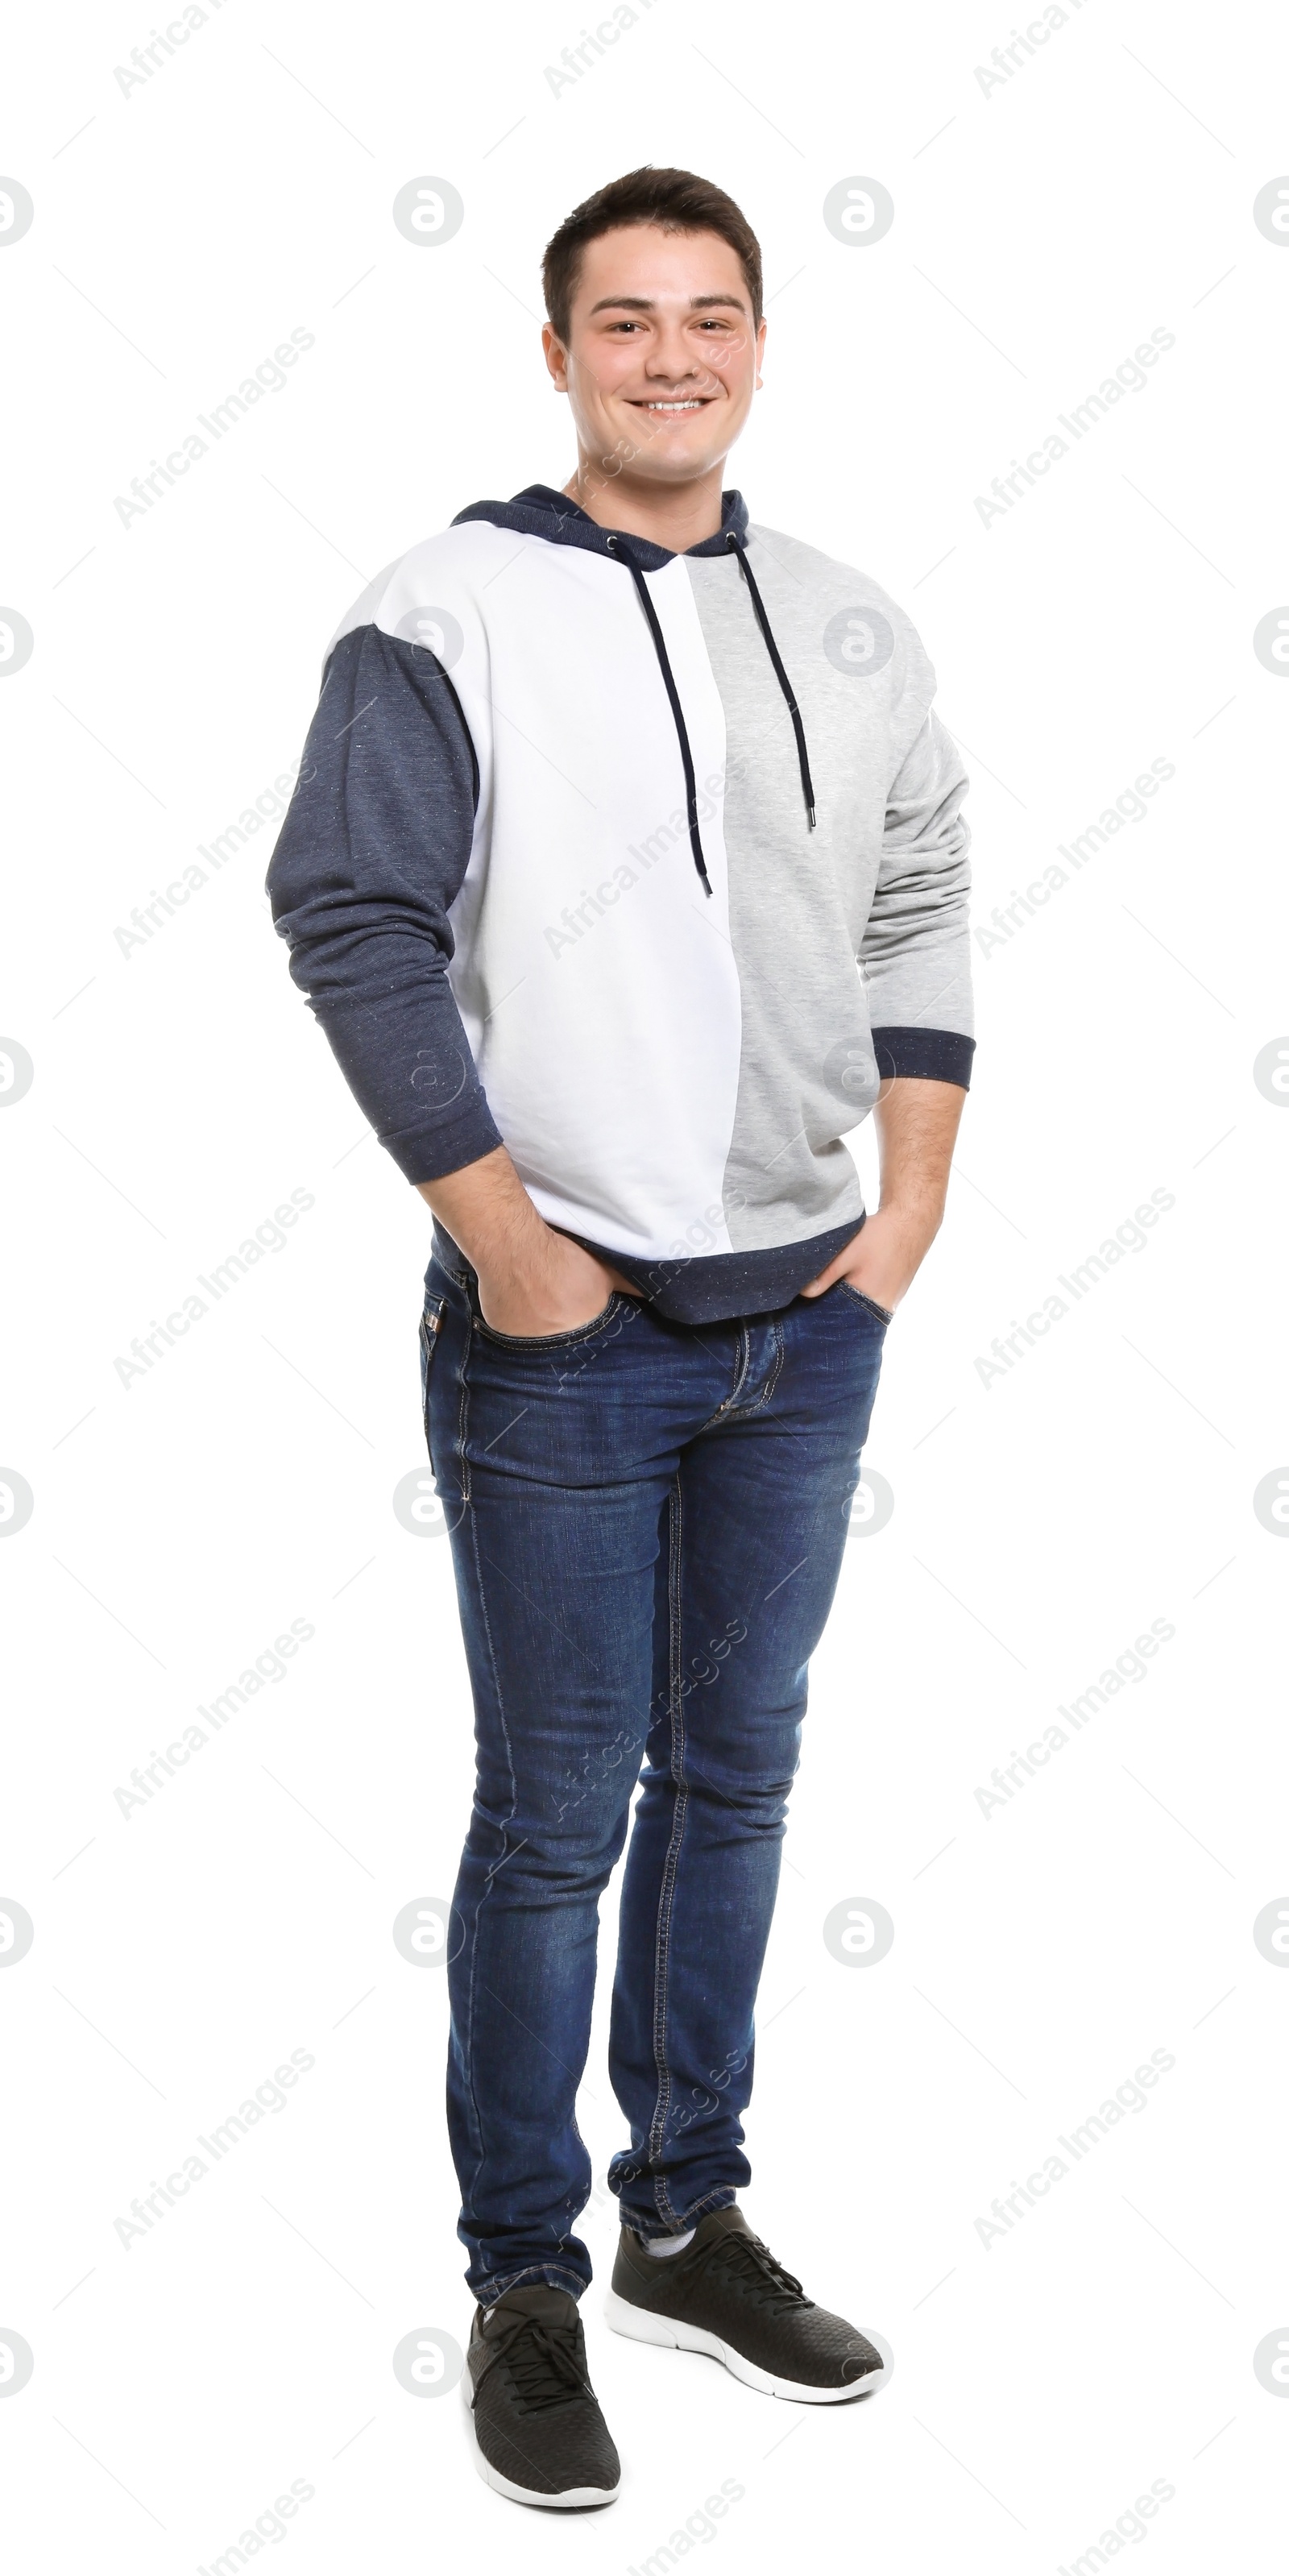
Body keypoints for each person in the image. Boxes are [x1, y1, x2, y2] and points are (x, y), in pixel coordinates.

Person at [267, 164, 974, 2511]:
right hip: (558, 1329)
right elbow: (351, 916)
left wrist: (905, 1212)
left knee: (743, 1780)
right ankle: (523, 2276)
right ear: (554, 351)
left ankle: (686, 2214)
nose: (674, 354)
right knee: (555, 1818)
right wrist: (510, 1235)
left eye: (713, 315)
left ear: (759, 339)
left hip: (808, 1318)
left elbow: (920, 882)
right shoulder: (443, 609)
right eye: (625, 320)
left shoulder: (851, 620)